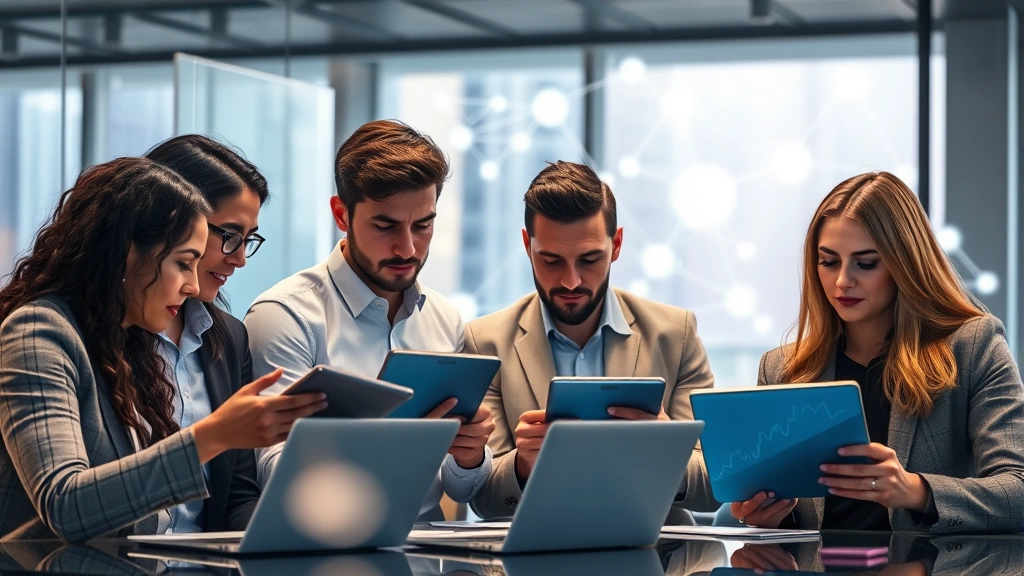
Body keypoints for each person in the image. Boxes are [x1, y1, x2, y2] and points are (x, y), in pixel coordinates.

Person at [0, 157, 325, 542]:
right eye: (183, 264)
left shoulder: (126, 337)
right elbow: (67, 507)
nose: (191, 287)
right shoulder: (39, 332)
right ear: (126, 252)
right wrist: (214, 435)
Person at [730, 171, 1024, 532]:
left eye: (866, 263)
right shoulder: (781, 369)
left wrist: (916, 490)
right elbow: (791, 515)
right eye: (829, 261)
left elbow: (1018, 491)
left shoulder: (972, 346)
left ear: (906, 263)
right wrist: (767, 518)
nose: (842, 281)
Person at [244, 120, 494, 519]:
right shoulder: (286, 315)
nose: (408, 247)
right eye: (385, 226)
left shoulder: (444, 317)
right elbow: (273, 475)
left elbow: (462, 491)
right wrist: (382, 446)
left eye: (423, 225)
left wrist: (470, 457)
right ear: (341, 214)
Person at [466, 160, 718, 520]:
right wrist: (522, 465)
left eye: (589, 259)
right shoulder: (485, 343)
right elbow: (483, 499)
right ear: (527, 245)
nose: (570, 281)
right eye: (551, 260)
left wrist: (666, 451)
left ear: (616, 245)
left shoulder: (675, 334)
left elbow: (714, 487)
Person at [143, 134, 272, 533]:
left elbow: (238, 495)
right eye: (229, 235)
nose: (239, 258)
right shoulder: (101, 332)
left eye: (248, 240)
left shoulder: (229, 337)